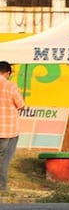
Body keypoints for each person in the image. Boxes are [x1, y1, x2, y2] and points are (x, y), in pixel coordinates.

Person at [0, 61, 26, 196]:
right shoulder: (11, 86)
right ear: (8, 73)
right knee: (5, 159)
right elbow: (21, 105)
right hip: (8, 130)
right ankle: (2, 186)